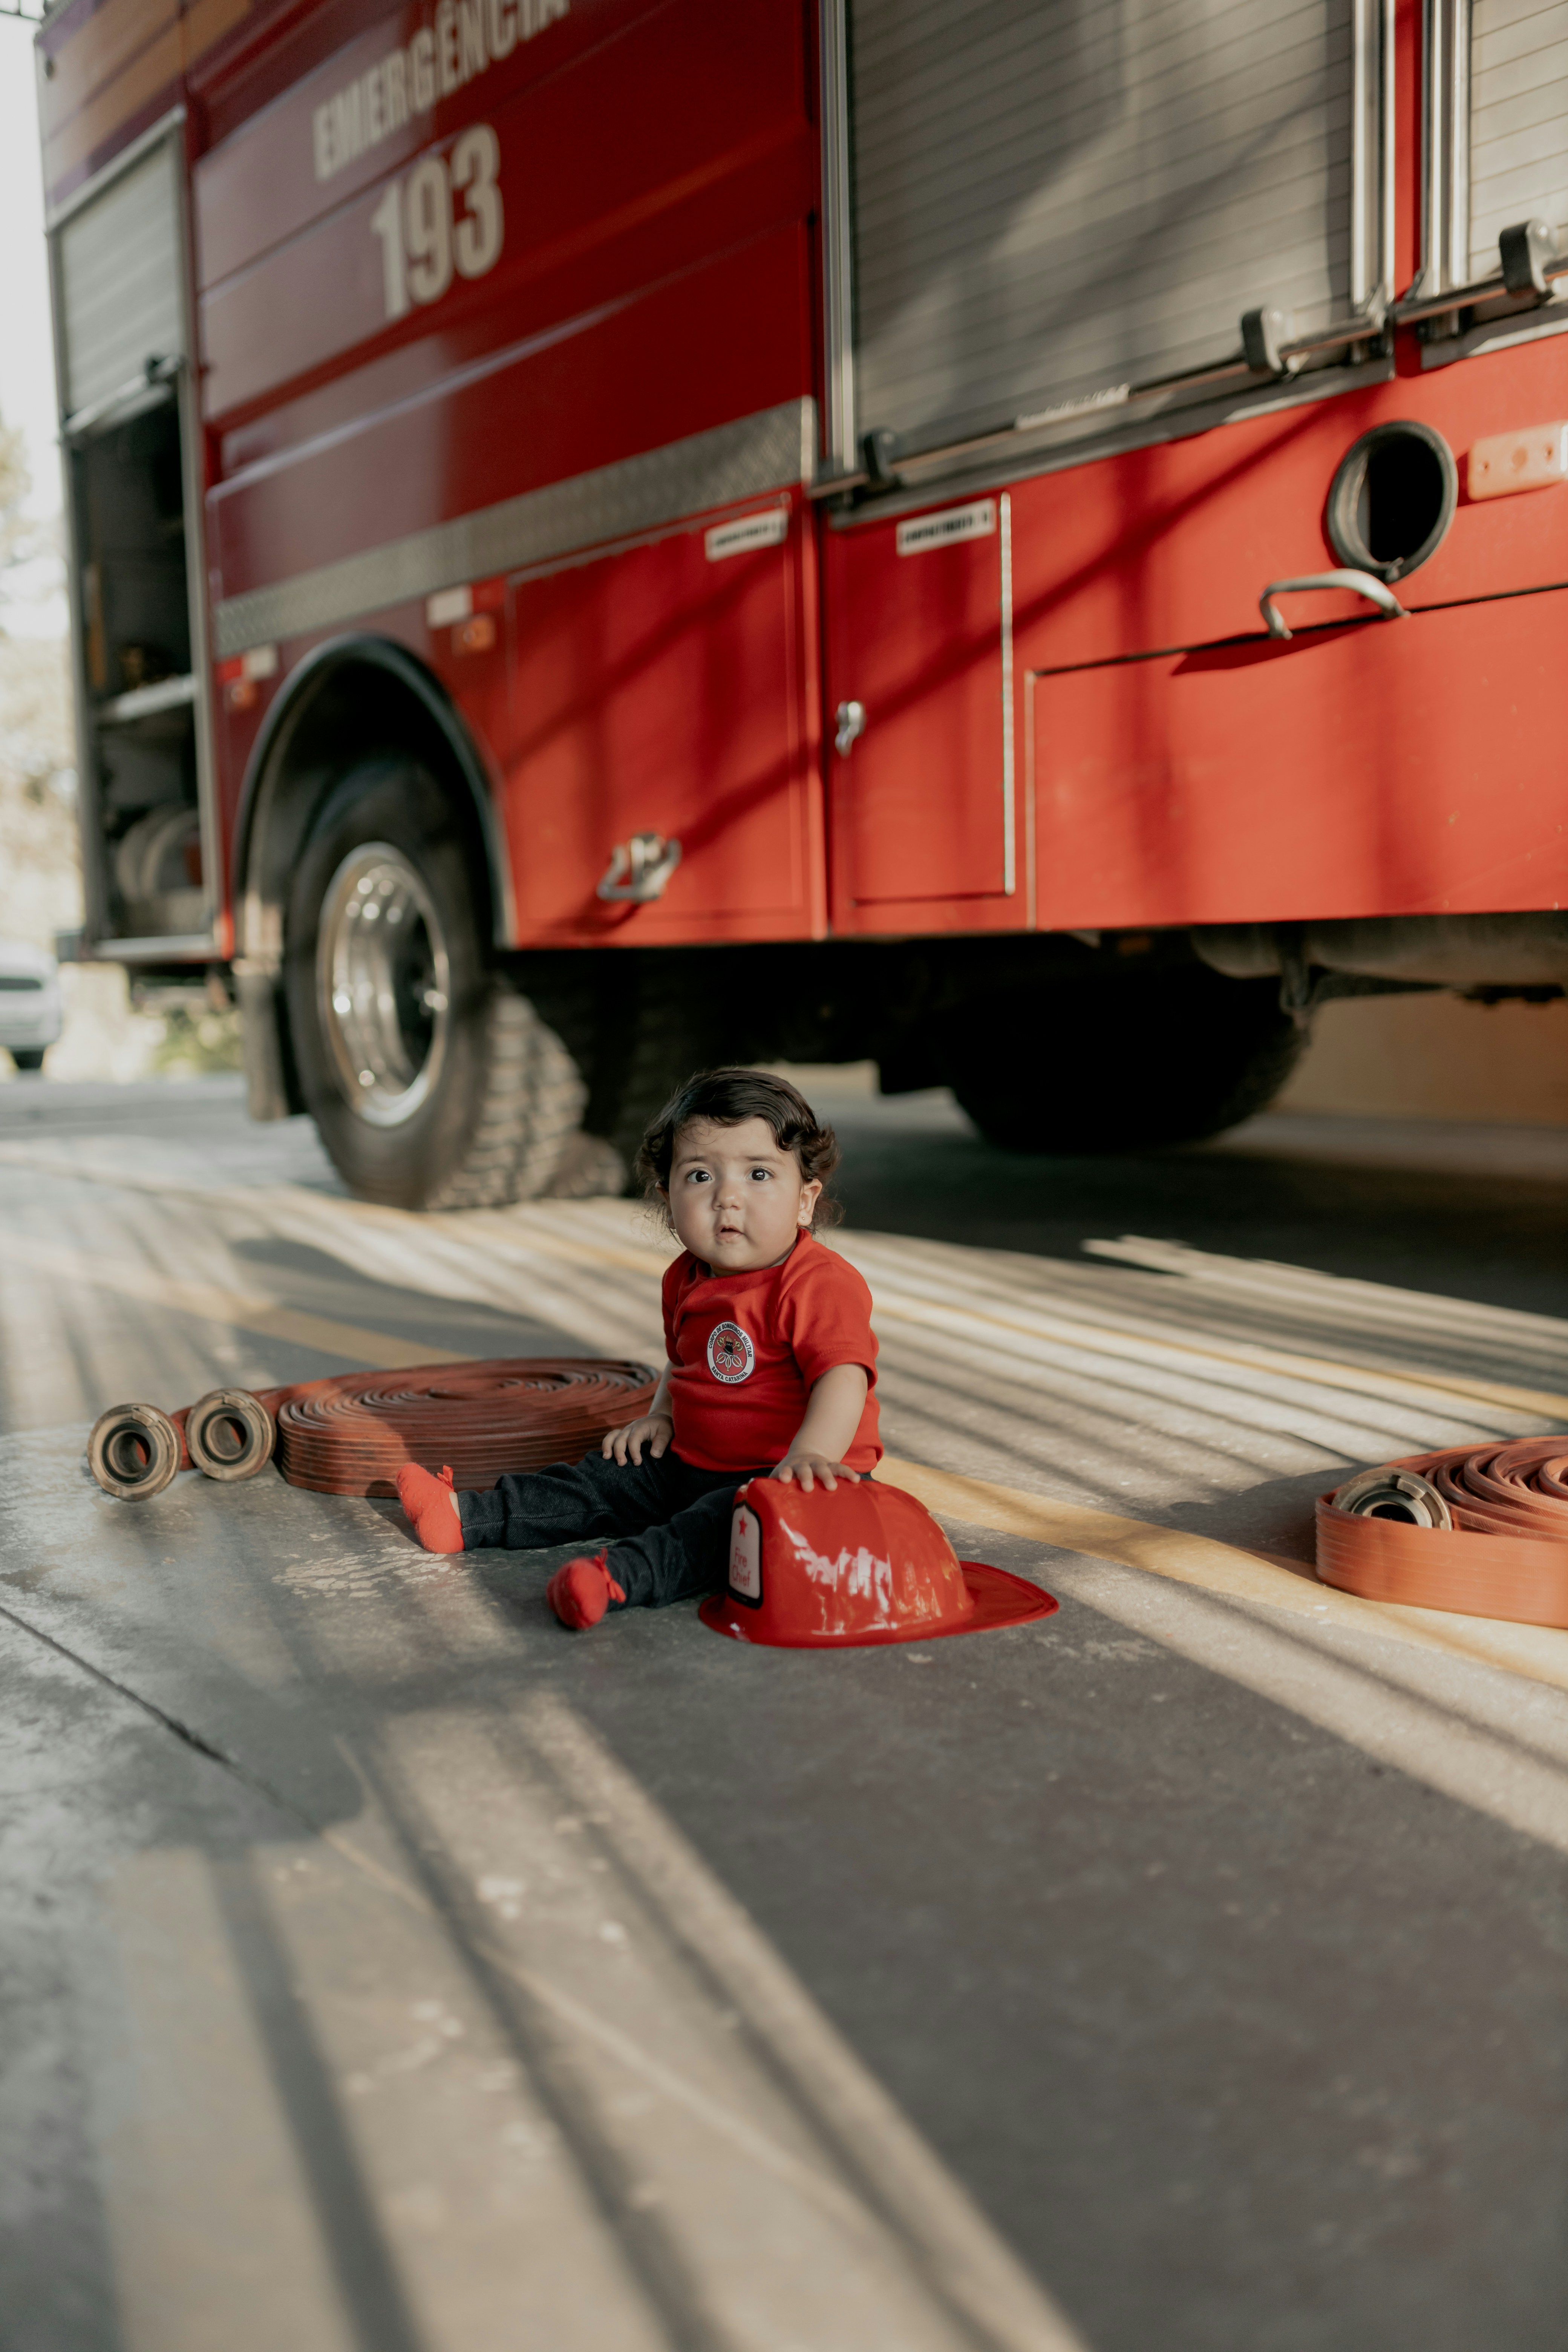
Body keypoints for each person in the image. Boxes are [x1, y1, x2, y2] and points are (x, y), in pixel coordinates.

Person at [397, 1068, 881, 1628]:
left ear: (805, 1200)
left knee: (707, 1535)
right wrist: (660, 1417)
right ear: (667, 1200)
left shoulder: (818, 1282)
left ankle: (614, 1580)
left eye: (757, 1174)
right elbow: (685, 1363)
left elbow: (842, 1376)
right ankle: (464, 1516)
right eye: (701, 1175)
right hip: (692, 1463)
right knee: (602, 1478)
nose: (728, 1197)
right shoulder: (685, 1278)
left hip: (790, 1482)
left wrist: (809, 1456)